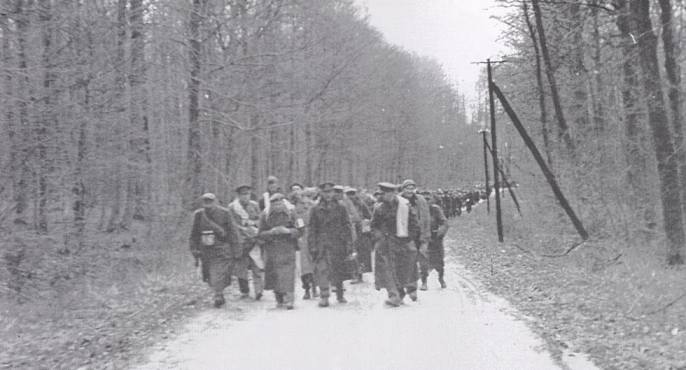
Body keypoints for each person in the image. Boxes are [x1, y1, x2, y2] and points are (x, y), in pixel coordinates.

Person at [370, 182, 420, 307]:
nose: (384, 196)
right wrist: (379, 236)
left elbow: (414, 224)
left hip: (402, 242)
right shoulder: (379, 208)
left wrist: (409, 238)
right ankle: (393, 295)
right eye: (383, 193)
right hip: (386, 244)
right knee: (387, 270)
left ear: (393, 193)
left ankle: (402, 291)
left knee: (402, 269)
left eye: (387, 193)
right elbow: (374, 225)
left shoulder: (405, 205)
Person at [189, 193, 241, 308]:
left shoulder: (225, 213)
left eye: (210, 201)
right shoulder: (199, 215)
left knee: (219, 272)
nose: (208, 203)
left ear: (215, 201)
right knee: (209, 274)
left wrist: (237, 250)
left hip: (222, 248)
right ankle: (219, 293)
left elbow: (233, 232)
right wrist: (194, 250)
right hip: (205, 250)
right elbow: (194, 234)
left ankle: (217, 294)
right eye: (206, 201)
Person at [307, 182, 355, 307]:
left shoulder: (341, 207)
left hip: (338, 243)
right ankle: (324, 295)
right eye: (325, 192)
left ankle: (340, 293)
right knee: (322, 270)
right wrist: (312, 246)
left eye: (330, 192)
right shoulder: (315, 209)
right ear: (321, 193)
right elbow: (311, 229)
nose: (328, 195)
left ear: (334, 192)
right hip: (321, 244)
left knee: (338, 269)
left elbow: (347, 226)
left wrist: (349, 243)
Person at [257, 193, 302, 309]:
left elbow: (301, 230)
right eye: (275, 203)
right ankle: (279, 297)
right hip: (272, 249)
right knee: (274, 274)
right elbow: (260, 234)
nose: (278, 205)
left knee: (288, 274)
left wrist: (287, 231)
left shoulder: (292, 213)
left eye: (280, 202)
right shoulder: (265, 215)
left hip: (288, 248)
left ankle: (290, 299)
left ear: (284, 202)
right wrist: (271, 232)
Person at [228, 185, 264, 300]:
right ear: (238, 195)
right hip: (240, 240)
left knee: (256, 265)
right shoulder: (233, 207)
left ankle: (259, 290)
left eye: (247, 194)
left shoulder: (254, 205)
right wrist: (242, 229)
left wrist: (252, 224)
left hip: (254, 239)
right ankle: (244, 291)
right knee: (241, 268)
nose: (246, 197)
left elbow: (260, 220)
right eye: (243, 194)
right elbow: (230, 223)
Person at [400, 179, 431, 301]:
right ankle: (408, 287)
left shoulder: (421, 200)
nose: (409, 190)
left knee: (423, 259)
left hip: (420, 235)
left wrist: (426, 236)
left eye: (412, 188)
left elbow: (426, 218)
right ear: (403, 189)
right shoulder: (399, 200)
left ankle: (424, 280)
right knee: (407, 262)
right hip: (404, 236)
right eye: (407, 188)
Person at [290, 187, 319, 300]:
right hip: (301, 240)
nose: (305, 205)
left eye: (307, 202)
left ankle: (315, 288)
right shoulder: (294, 212)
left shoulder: (314, 209)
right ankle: (306, 289)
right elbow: (293, 224)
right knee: (304, 267)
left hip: (312, 238)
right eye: (302, 203)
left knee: (314, 264)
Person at [420, 193, 449, 290]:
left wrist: (440, 232)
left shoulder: (435, 209)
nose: (426, 201)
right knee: (423, 261)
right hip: (423, 239)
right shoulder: (418, 210)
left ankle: (441, 278)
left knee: (439, 262)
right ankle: (424, 282)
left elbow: (444, 222)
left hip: (435, 239)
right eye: (424, 199)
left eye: (428, 199)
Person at [346, 187, 373, 283]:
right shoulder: (344, 205)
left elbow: (369, 216)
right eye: (348, 194)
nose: (351, 196)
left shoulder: (361, 204)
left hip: (360, 231)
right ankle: (353, 274)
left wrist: (364, 222)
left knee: (360, 253)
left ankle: (359, 274)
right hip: (349, 230)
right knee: (350, 252)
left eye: (352, 193)